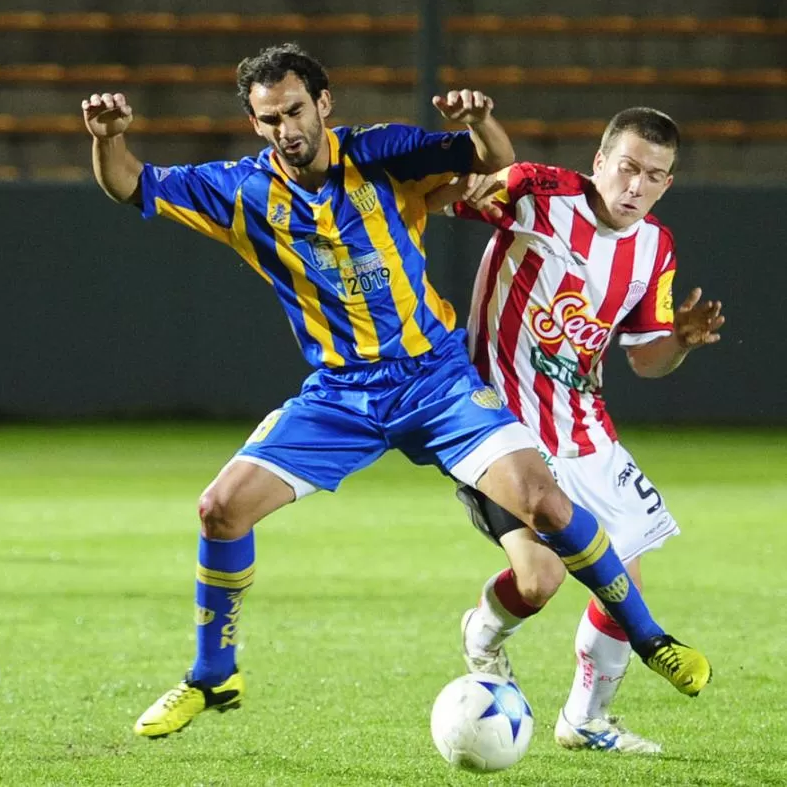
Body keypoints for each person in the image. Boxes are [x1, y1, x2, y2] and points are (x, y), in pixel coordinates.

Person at [81, 44, 711, 739]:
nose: (286, 129)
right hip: (341, 396)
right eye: (268, 119)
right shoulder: (242, 190)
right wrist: (107, 139)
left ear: (323, 104)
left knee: (545, 502)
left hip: (437, 380)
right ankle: (212, 674)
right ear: (254, 122)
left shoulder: (381, 153)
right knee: (219, 509)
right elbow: (131, 183)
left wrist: (478, 124)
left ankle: (653, 641)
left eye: (295, 110)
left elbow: (482, 159)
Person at [427, 107, 723, 754]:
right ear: (599, 162)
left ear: (667, 184)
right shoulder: (541, 193)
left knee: (626, 582)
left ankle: (585, 719)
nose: (637, 186)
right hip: (498, 421)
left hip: (584, 430)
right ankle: (484, 630)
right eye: (628, 168)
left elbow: (646, 359)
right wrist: (473, 161)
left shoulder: (655, 247)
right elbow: (459, 193)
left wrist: (681, 341)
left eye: (654, 176)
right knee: (540, 581)